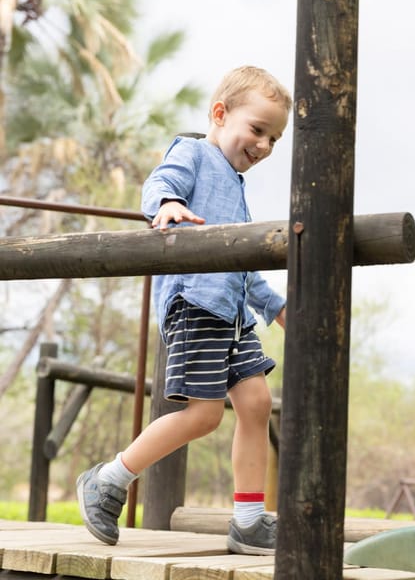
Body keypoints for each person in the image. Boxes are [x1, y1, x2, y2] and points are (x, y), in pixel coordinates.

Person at [76, 65, 292, 555]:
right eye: (258, 130)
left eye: (275, 138)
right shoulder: (193, 151)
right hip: (195, 306)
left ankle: (249, 519)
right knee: (204, 415)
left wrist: (275, 305)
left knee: (256, 404)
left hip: (232, 314)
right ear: (220, 114)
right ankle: (108, 480)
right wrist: (168, 204)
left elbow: (242, 261)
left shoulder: (236, 187)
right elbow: (160, 182)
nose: (264, 145)